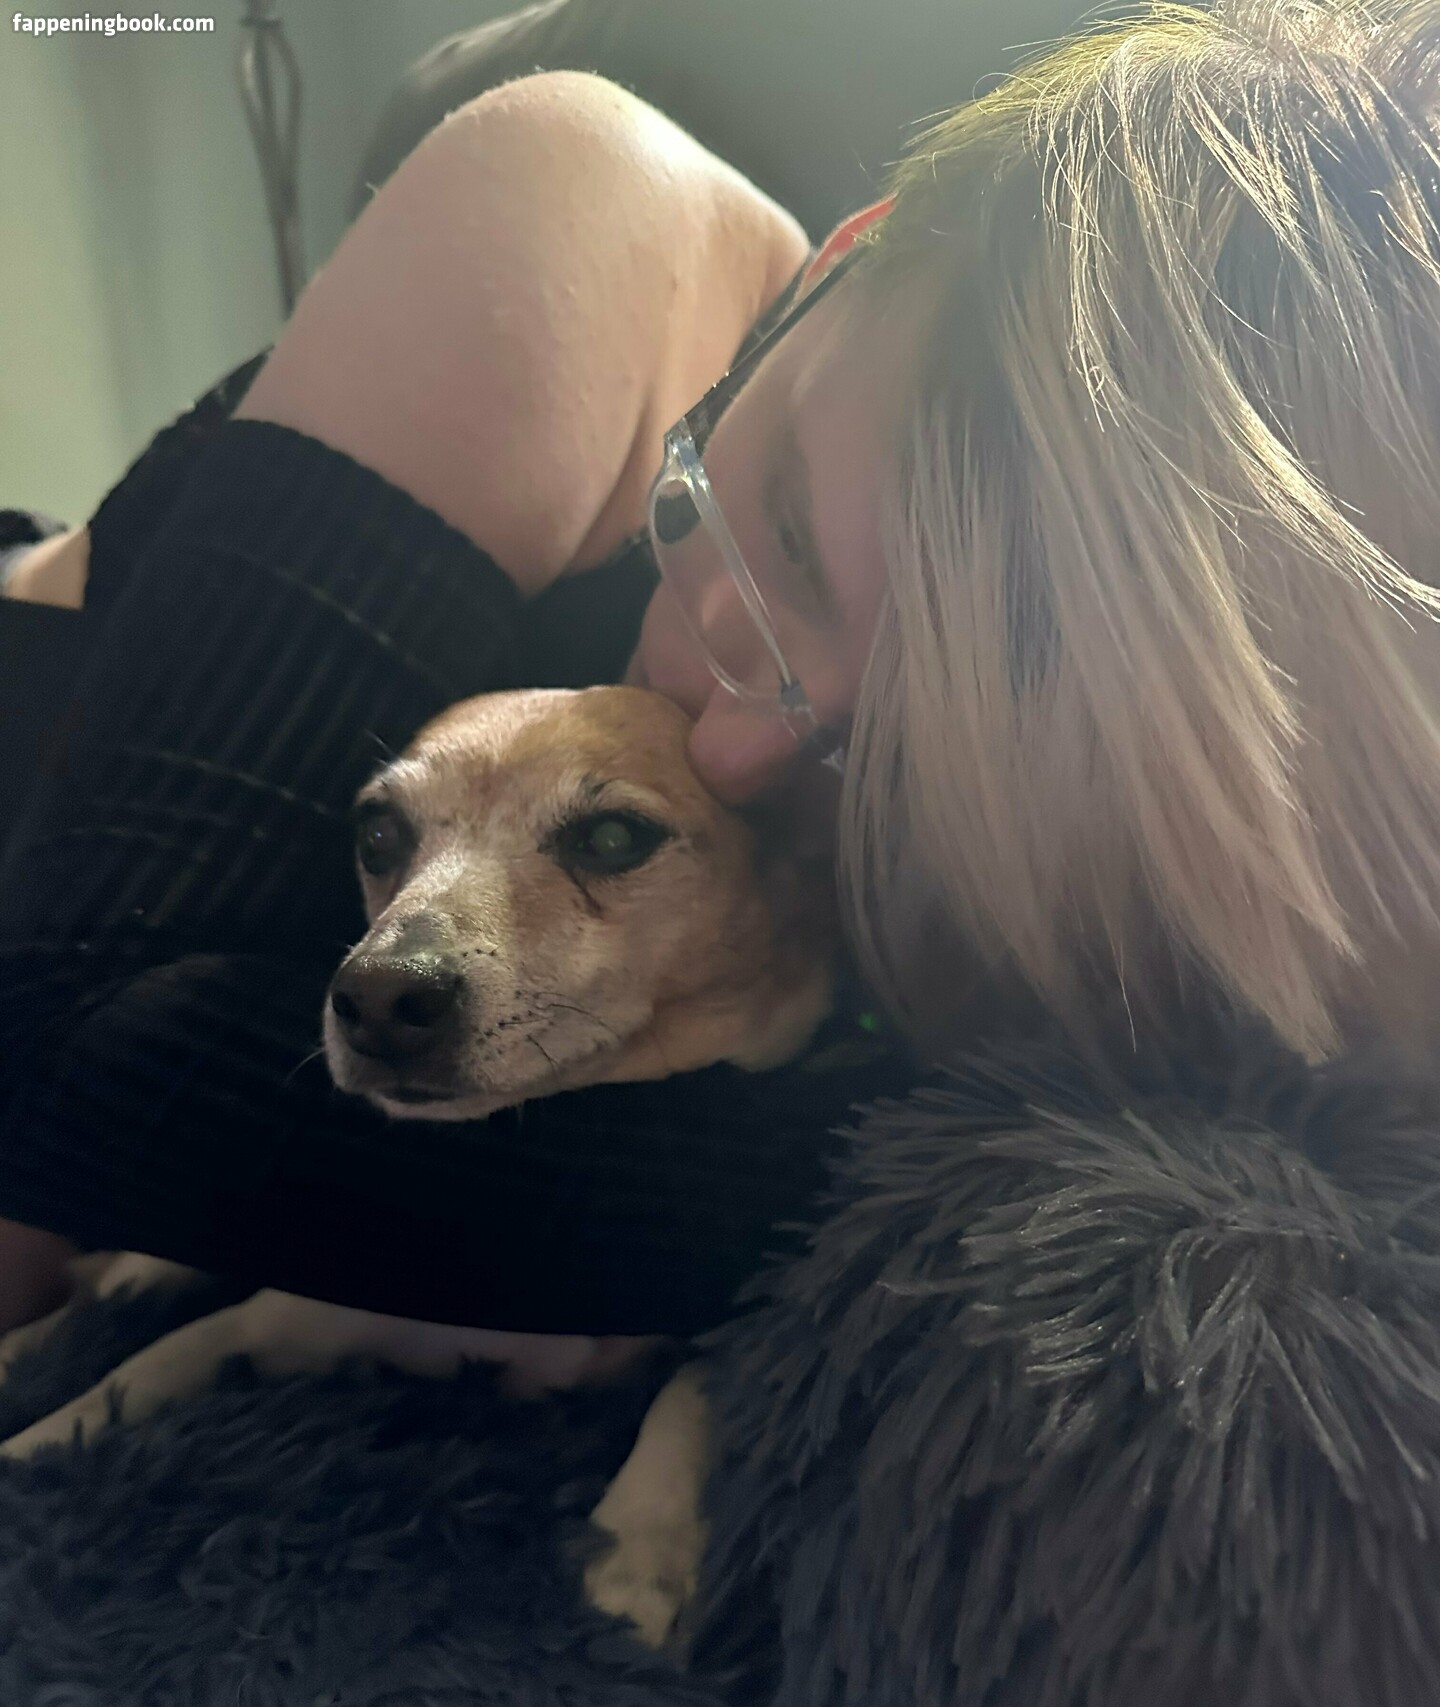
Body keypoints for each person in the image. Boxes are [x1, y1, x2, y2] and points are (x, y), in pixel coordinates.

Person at [2, 0, 1439, 1359]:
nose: (739, 749)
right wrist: (960, 1194)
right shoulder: (575, 209)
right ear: (848, 262)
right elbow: (55, 1048)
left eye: (915, 737)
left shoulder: (1193, 800)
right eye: (793, 536)